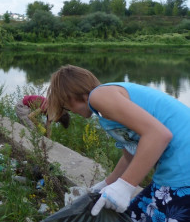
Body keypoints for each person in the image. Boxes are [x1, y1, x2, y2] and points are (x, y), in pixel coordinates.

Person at [47, 64, 190, 221]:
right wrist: (107, 183)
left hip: (182, 169)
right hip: (173, 169)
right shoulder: (106, 108)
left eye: (65, 105)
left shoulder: (99, 97)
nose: (70, 111)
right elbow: (130, 154)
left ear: (72, 95)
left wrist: (125, 186)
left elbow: (158, 135)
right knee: (135, 214)